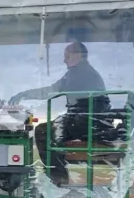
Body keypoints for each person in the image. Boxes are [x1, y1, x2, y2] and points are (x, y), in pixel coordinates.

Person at [8, 41, 109, 186]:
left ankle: (58, 179)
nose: (64, 60)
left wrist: (23, 94)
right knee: (52, 128)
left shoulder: (80, 73)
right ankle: (57, 175)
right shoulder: (83, 72)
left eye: (67, 56)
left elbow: (52, 91)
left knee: (43, 131)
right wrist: (25, 94)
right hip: (90, 121)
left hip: (86, 121)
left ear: (79, 55)